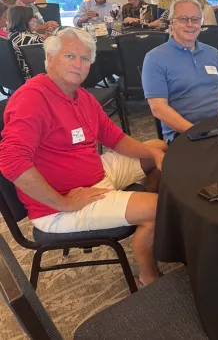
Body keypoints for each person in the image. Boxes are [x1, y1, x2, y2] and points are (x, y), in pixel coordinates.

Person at [0, 28, 167, 286]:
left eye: (85, 59)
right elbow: (11, 162)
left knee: (157, 147)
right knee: (158, 207)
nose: (78, 65)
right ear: (50, 58)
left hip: (95, 176)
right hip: (59, 206)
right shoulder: (32, 98)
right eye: (70, 56)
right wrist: (63, 203)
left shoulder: (81, 95)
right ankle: (149, 273)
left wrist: (152, 153)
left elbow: (115, 138)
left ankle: (143, 221)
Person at [142, 0, 218, 143]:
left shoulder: (212, 53)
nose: (190, 24)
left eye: (195, 19)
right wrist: (198, 132)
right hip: (185, 133)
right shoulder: (155, 58)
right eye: (183, 19)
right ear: (172, 22)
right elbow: (158, 108)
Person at [8, 6, 46, 79]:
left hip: (18, 76)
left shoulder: (11, 35)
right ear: (26, 20)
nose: (35, 19)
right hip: (33, 77)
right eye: (32, 17)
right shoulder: (32, 39)